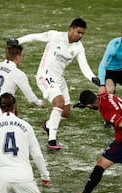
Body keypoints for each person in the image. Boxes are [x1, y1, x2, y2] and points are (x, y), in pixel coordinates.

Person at [16, 18, 99, 150]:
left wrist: (92, 78)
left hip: (59, 79)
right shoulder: (55, 36)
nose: (81, 36)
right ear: (71, 29)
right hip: (45, 76)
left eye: (83, 33)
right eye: (79, 32)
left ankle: (48, 125)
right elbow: (35, 37)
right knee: (59, 103)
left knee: (65, 113)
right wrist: (18, 41)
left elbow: (84, 65)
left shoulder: (78, 47)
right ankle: (52, 141)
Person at [0, 39, 45, 126]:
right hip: (3, 118)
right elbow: (31, 99)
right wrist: (39, 102)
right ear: (18, 57)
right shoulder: (18, 74)